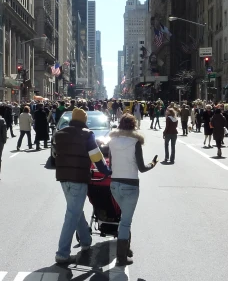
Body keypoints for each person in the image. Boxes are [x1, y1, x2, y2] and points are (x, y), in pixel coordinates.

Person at [53, 107, 112, 264]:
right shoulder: (87, 134)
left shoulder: (60, 134)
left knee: (75, 210)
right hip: (78, 178)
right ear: (84, 121)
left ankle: (86, 242)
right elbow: (97, 157)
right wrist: (106, 171)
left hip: (63, 177)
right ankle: (62, 253)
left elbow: (54, 155)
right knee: (72, 214)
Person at [107, 114, 158, 266]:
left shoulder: (112, 141)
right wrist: (153, 164)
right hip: (130, 184)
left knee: (124, 218)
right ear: (134, 125)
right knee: (126, 222)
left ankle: (126, 249)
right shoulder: (135, 141)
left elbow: (110, 164)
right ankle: (121, 257)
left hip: (115, 184)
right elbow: (142, 168)